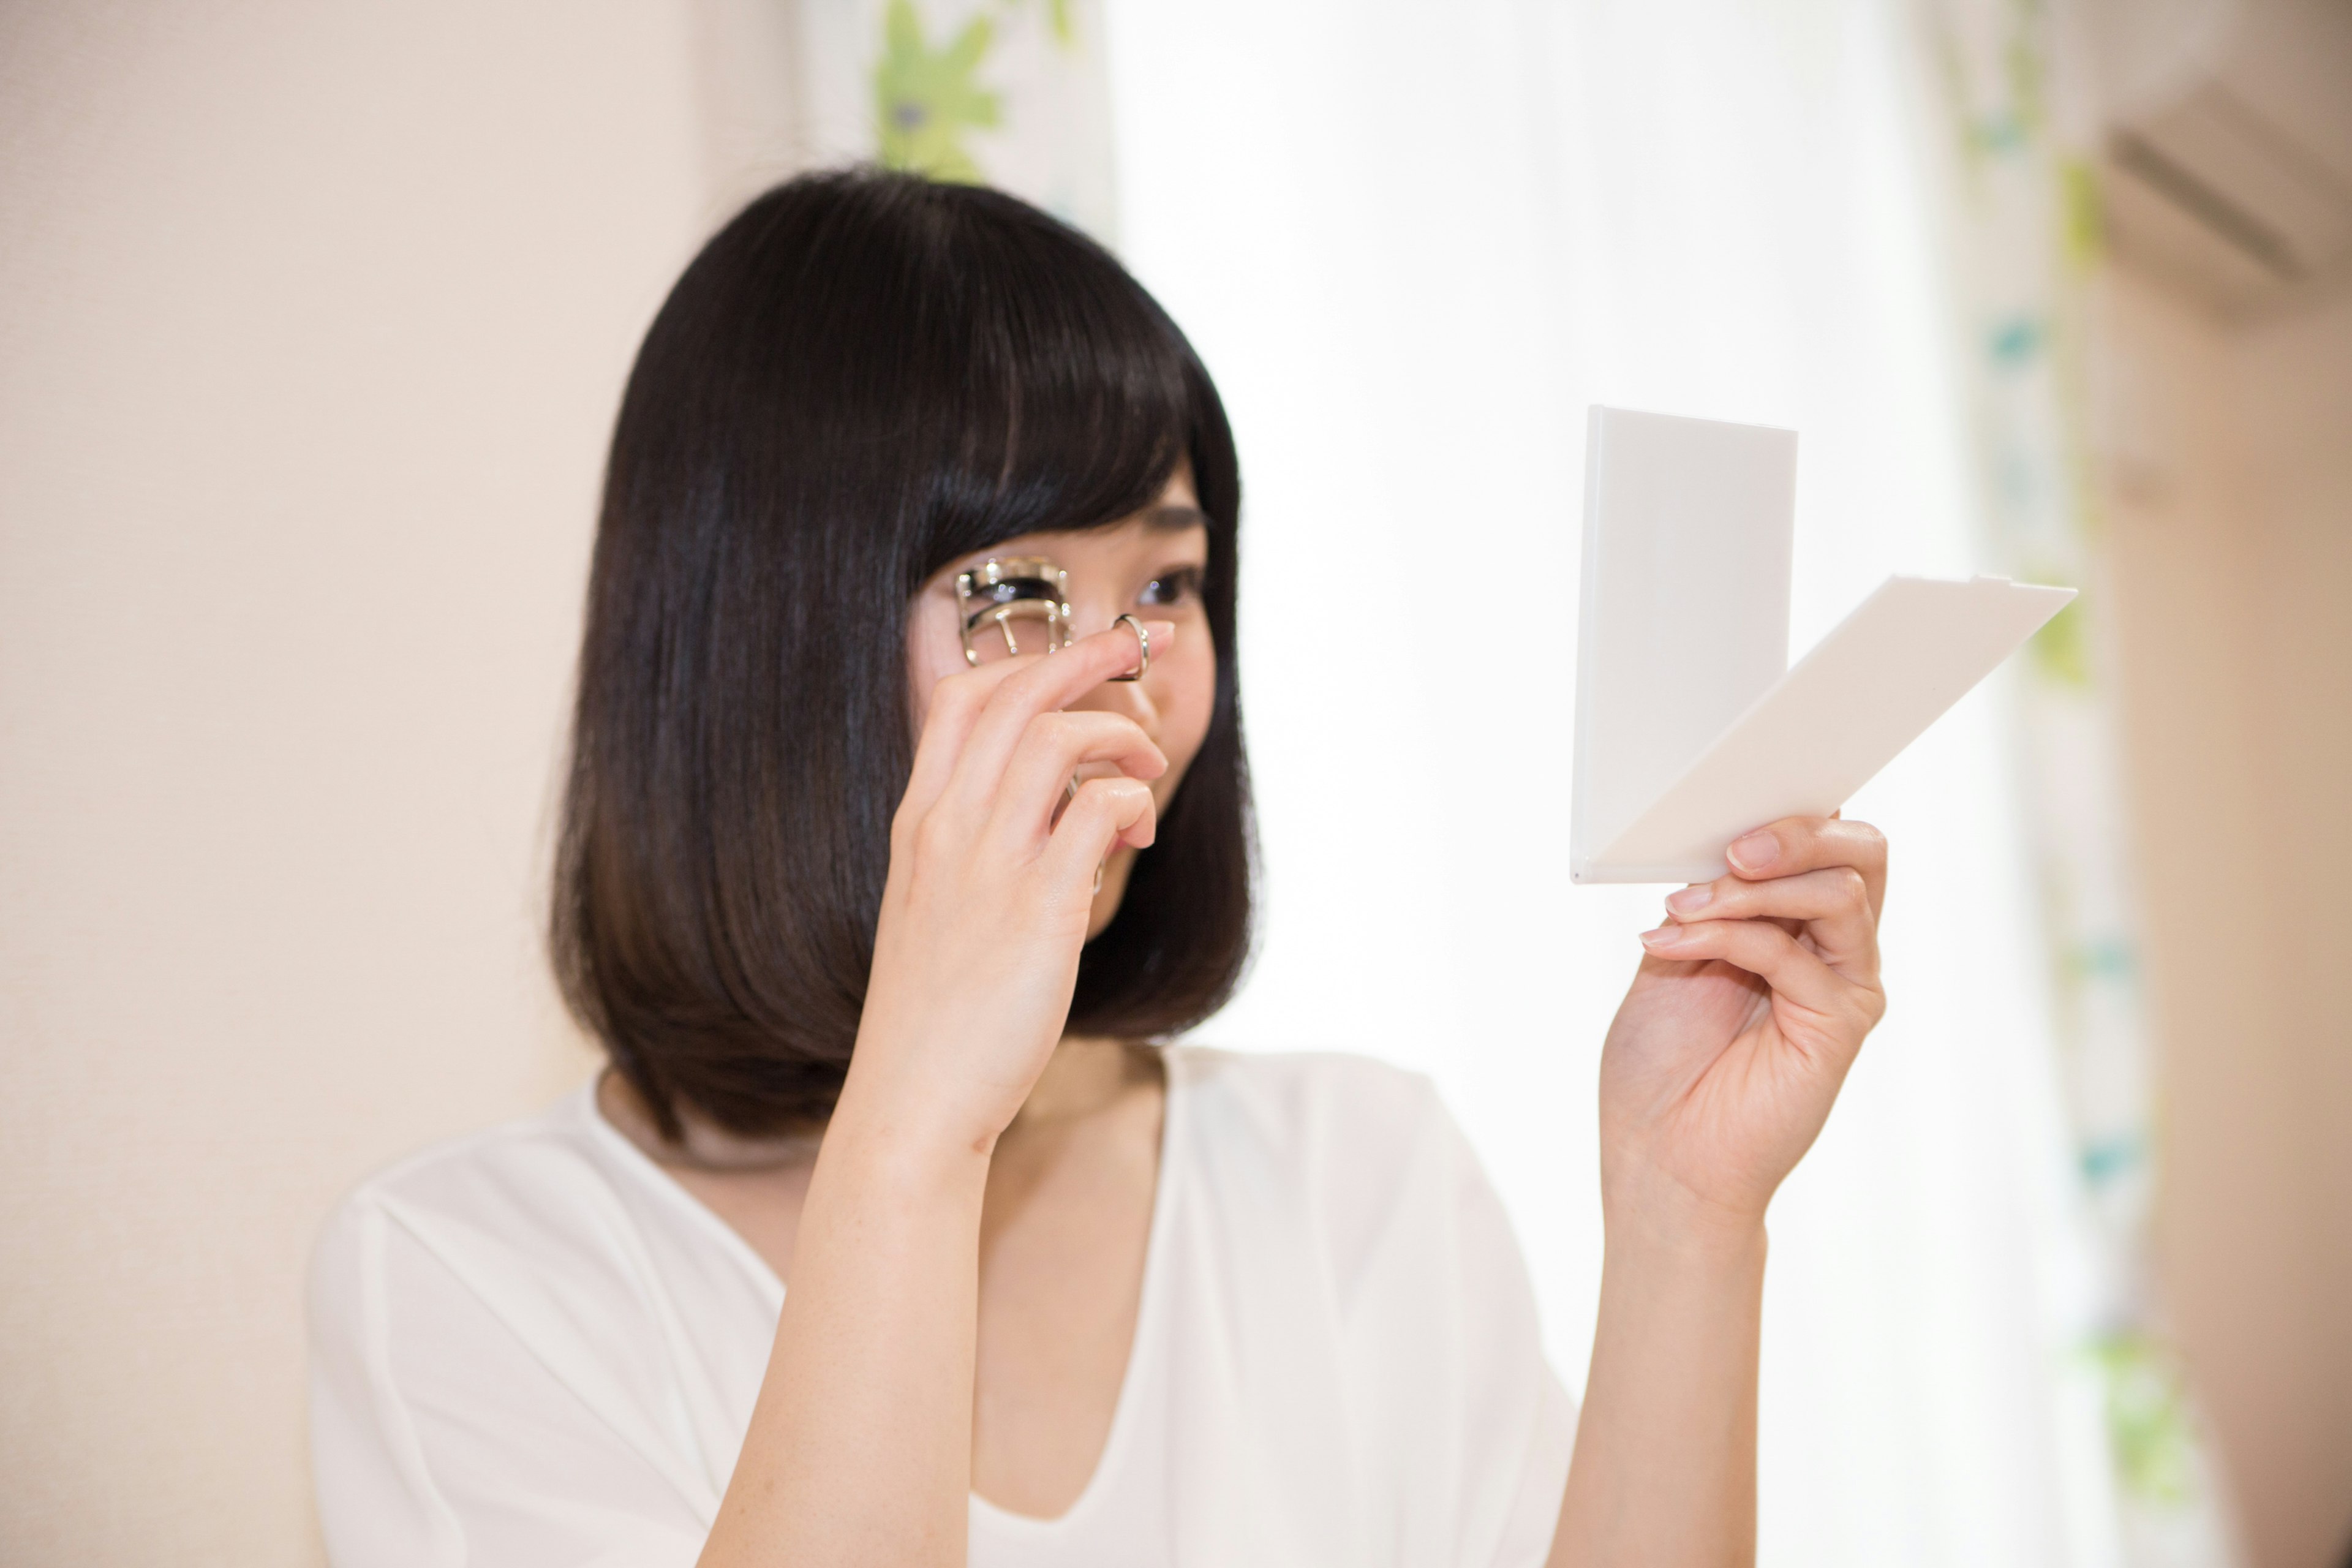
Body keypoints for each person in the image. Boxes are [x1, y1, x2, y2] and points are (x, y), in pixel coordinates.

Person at [307, 169, 1890, 1568]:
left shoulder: (1357, 1173)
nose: (1129, 685)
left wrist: (1690, 1215)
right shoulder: (473, 1279)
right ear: (763, 650)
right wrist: (919, 1128)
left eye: (1171, 583)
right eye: (1012, 593)